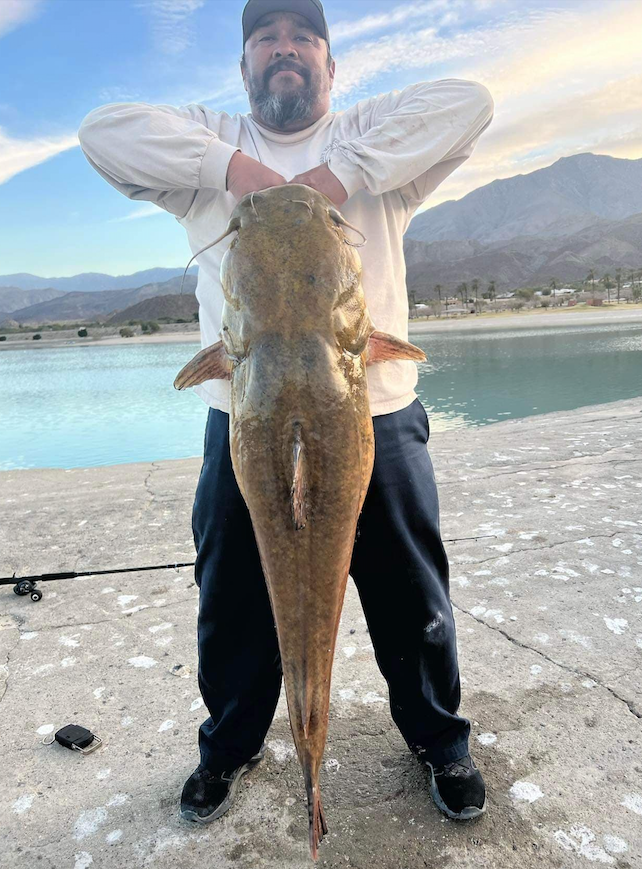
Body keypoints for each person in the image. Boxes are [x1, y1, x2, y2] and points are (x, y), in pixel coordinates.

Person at [78, 0, 494, 829]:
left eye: (305, 37)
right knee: (229, 593)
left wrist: (338, 178)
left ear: (333, 67)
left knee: (411, 591)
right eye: (265, 38)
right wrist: (240, 174)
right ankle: (231, 744)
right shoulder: (210, 141)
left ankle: (439, 737)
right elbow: (101, 131)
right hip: (244, 418)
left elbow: (472, 103)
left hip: (377, 414)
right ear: (242, 69)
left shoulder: (373, 136)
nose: (285, 49)